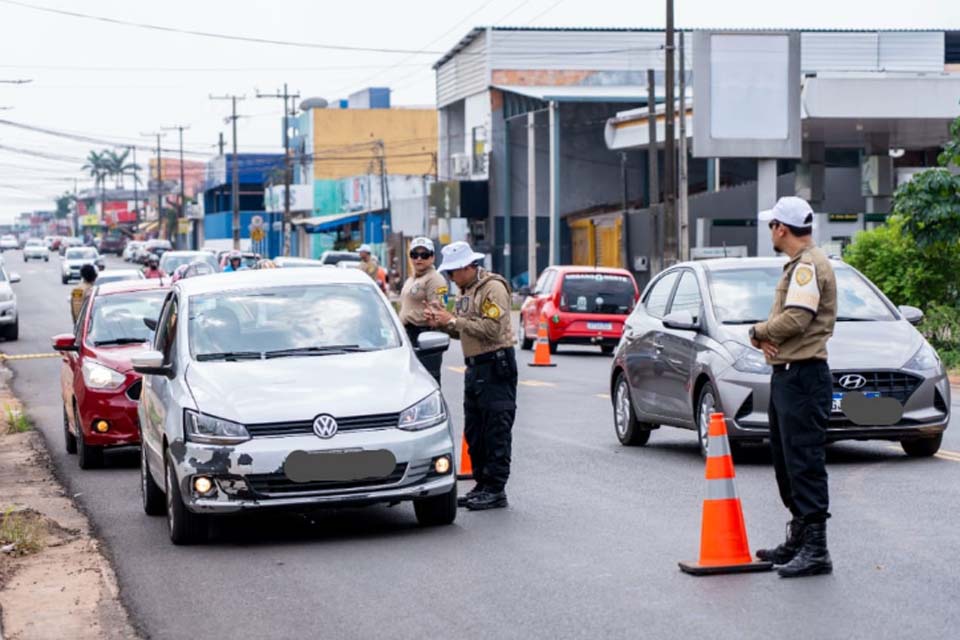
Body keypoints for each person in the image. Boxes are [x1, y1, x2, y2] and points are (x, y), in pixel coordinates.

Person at [749, 196, 837, 578]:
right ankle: (800, 539)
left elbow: (797, 318)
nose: (770, 229)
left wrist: (758, 332)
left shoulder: (807, 268)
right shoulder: (799, 265)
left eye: (771, 224)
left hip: (803, 378)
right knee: (787, 465)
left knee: (803, 464)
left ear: (781, 229)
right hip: (790, 375)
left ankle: (816, 549)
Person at [425, 241, 517, 511]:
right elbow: (466, 330)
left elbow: (490, 328)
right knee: (475, 431)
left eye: (453, 272)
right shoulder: (467, 290)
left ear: (467, 266)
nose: (450, 278)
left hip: (495, 364)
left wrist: (452, 321)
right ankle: (482, 484)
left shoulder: (493, 288)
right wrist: (443, 324)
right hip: (475, 367)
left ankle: (496, 489)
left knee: (495, 429)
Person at [398, 237, 448, 385]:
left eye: (424, 255)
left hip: (424, 335)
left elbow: (439, 310)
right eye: (414, 254)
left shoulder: (435, 279)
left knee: (426, 382)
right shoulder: (412, 279)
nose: (419, 259)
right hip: (408, 335)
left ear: (432, 257)